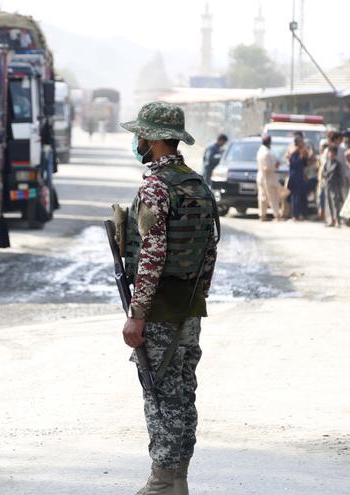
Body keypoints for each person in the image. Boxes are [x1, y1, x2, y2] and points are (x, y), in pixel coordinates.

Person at [119, 102, 220, 495]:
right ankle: (178, 480)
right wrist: (195, 301)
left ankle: (162, 483)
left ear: (155, 140)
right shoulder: (196, 184)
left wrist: (137, 313)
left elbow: (152, 254)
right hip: (188, 311)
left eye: (142, 135)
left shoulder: (156, 188)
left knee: (160, 395)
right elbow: (209, 250)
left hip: (160, 311)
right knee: (183, 392)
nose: (138, 141)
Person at [257, 134, 285, 221]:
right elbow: (268, 168)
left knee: (263, 197)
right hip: (268, 178)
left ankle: (262, 215)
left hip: (261, 177)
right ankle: (277, 215)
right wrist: (276, 166)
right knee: (273, 197)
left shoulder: (260, 151)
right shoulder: (266, 153)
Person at [321, 144, 347, 227]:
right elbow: (323, 173)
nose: (331, 155)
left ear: (335, 154)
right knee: (329, 204)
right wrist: (325, 176)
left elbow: (341, 176)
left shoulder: (338, 164)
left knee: (336, 203)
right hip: (328, 185)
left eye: (332, 153)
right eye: (329, 153)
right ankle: (332, 219)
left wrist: (341, 187)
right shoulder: (326, 163)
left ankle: (338, 221)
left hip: (335, 186)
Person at [287, 135, 312, 221]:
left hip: (301, 177)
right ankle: (295, 215)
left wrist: (306, 157)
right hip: (295, 177)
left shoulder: (303, 152)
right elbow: (294, 164)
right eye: (301, 142)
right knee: (295, 197)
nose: (303, 143)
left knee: (302, 196)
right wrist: (301, 156)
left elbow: (305, 164)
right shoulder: (294, 153)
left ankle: (303, 214)